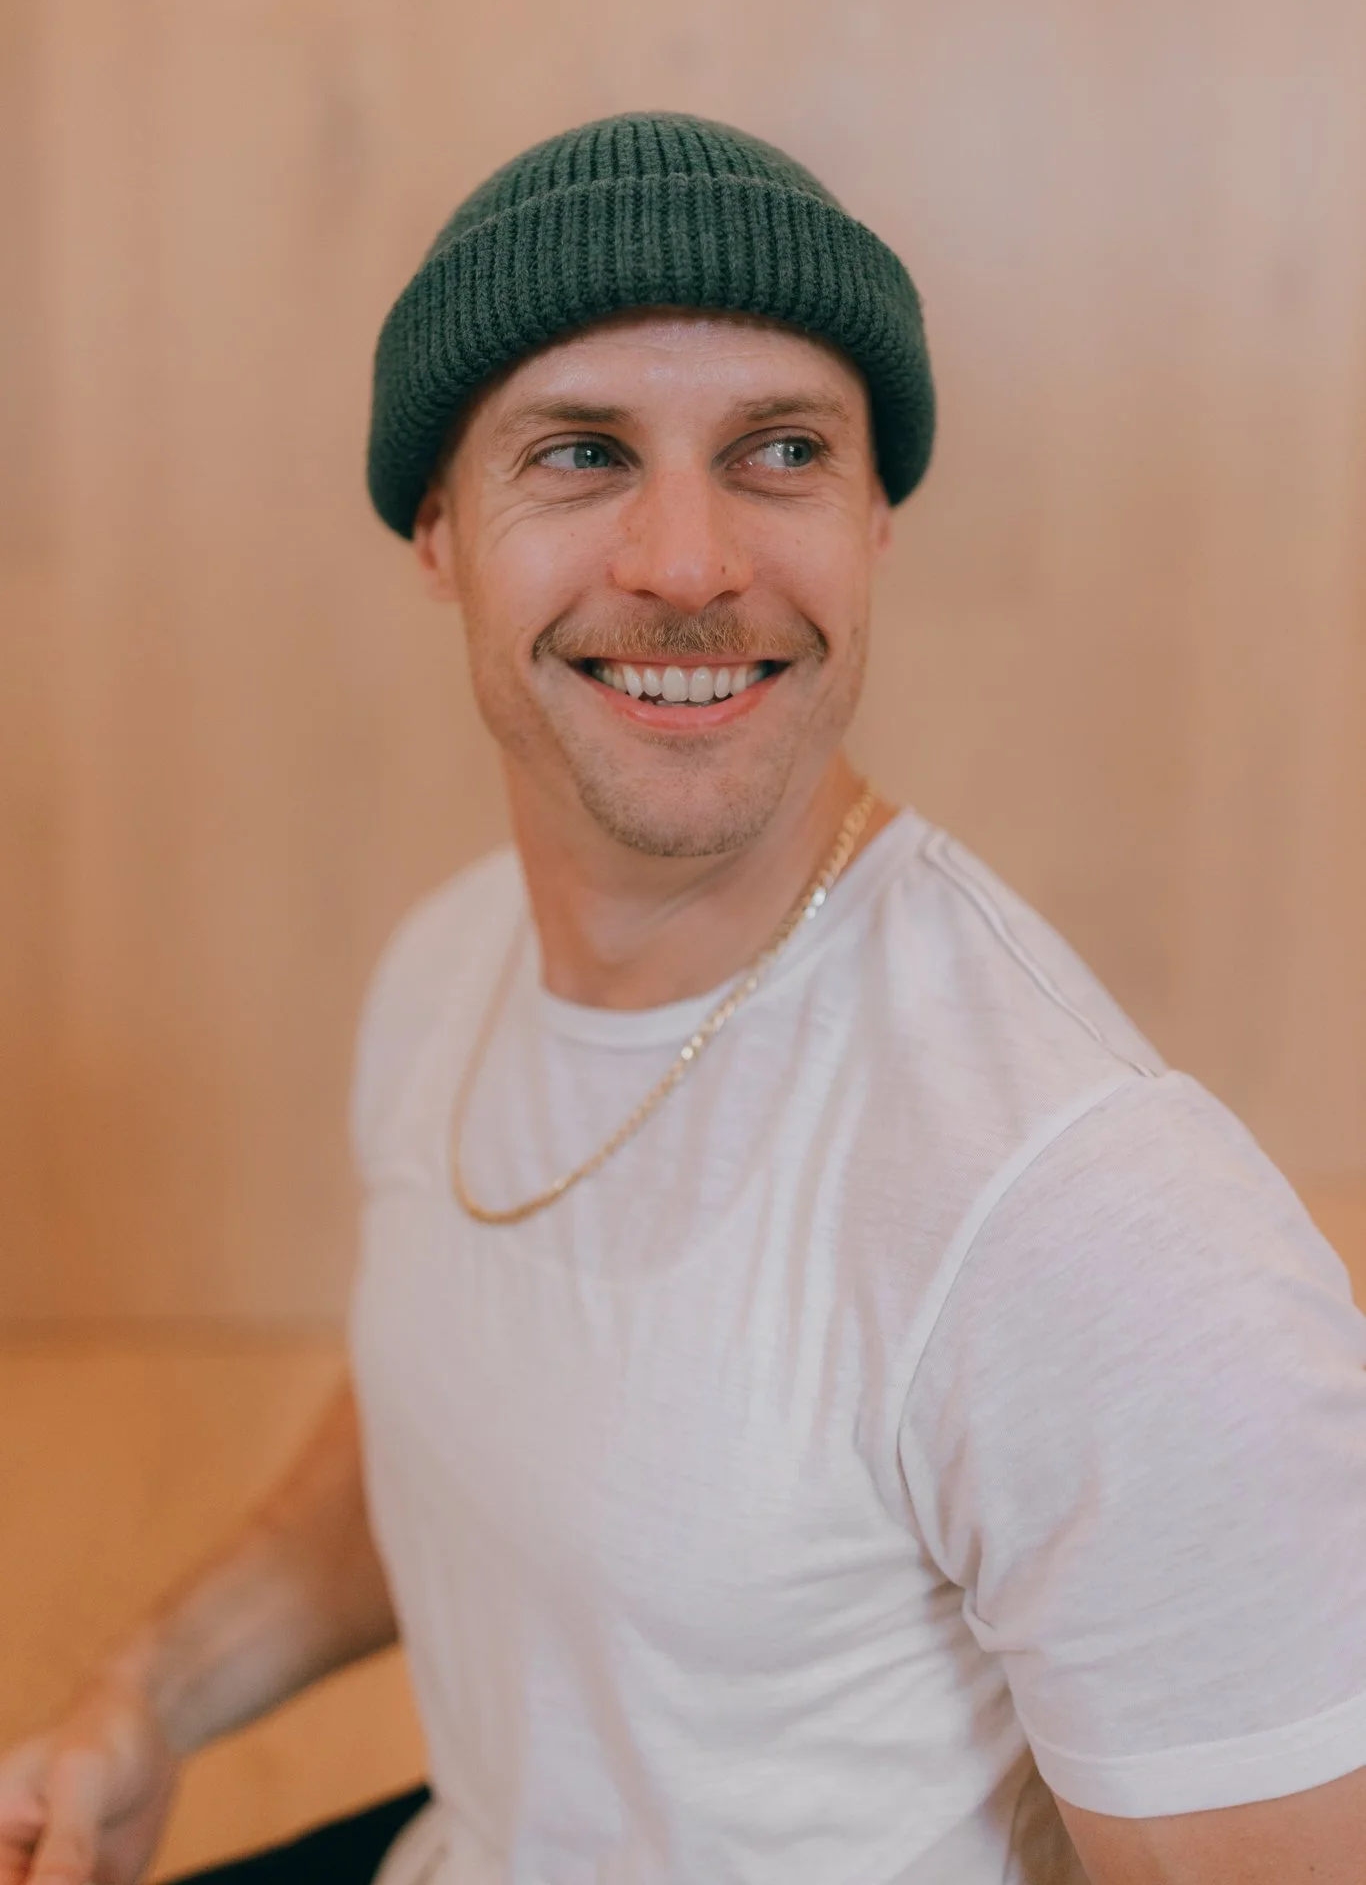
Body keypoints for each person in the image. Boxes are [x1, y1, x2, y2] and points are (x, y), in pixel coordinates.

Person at [4, 113, 1366, 1885]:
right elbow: (467, 1406)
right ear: (436, 533)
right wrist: (150, 1695)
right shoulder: (453, 966)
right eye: (578, 454)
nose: (686, 562)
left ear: (876, 520)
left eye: (777, 451)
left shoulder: (1098, 1231)